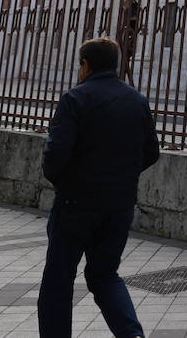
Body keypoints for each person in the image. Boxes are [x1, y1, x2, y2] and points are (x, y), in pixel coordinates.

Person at [38, 37, 160, 338]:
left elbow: (55, 158)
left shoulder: (75, 99)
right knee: (104, 275)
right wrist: (121, 176)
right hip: (119, 205)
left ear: (85, 65)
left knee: (58, 282)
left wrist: (67, 182)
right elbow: (152, 151)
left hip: (76, 205)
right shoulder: (136, 100)